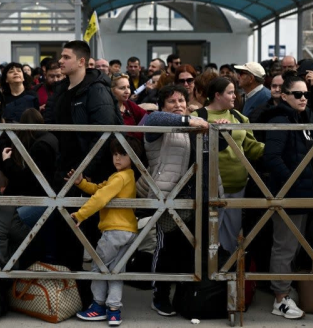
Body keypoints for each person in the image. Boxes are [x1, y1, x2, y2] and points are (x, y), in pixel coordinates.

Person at [44, 40, 120, 305]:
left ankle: (98, 297)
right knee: (67, 233)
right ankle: (74, 293)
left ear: (81, 62)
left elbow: (104, 135)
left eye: (65, 57)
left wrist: (85, 173)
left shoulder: (97, 91)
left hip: (91, 175)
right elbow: (53, 123)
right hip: (65, 170)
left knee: (92, 236)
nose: (60, 61)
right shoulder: (62, 88)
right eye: (60, 57)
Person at [139, 84, 210, 317]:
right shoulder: (156, 123)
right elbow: (153, 119)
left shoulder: (193, 126)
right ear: (162, 106)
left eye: (181, 101)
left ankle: (182, 294)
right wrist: (190, 121)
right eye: (172, 101)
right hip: (167, 197)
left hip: (194, 198)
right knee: (166, 247)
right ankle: (159, 294)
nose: (178, 105)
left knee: (188, 249)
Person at [260, 73, 313, 320]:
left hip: (300, 193)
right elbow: (271, 157)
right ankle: (281, 298)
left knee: (292, 247)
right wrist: (291, 182)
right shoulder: (281, 120)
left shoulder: (298, 118)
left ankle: (284, 290)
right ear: (284, 96)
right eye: (298, 94)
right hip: (289, 194)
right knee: (285, 246)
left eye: (306, 94)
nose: (303, 98)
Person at [69, 137, 142, 326]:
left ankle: (98, 306)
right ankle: (114, 311)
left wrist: (80, 215)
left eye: (123, 155)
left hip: (114, 231)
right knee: (116, 271)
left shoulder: (119, 177)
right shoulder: (128, 176)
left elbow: (101, 197)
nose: (117, 158)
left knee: (98, 267)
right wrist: (82, 183)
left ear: (132, 157)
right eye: (115, 154)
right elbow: (99, 188)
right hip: (129, 231)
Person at [192, 77, 264, 254]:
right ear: (217, 95)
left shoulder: (240, 117)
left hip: (238, 184)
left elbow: (251, 147)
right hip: (209, 187)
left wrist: (273, 151)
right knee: (209, 237)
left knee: (231, 238)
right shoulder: (197, 117)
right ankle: (210, 277)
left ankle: (226, 276)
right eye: (230, 92)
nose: (235, 96)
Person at [111, 73, 147, 139]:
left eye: (128, 87)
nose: (127, 91)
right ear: (112, 90)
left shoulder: (128, 104)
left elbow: (146, 116)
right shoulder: (108, 108)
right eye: (122, 88)